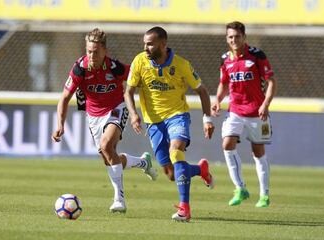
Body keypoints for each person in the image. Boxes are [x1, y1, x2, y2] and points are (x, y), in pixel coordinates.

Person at [51, 28, 158, 213]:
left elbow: (138, 80)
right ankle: (143, 162)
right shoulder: (79, 69)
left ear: (104, 51)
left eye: (95, 52)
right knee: (109, 157)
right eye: (88, 51)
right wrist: (60, 124)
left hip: (116, 108)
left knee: (107, 145)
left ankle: (119, 199)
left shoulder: (115, 67)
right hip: (93, 117)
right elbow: (64, 98)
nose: (91, 55)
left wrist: (139, 108)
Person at [124, 26, 215, 222]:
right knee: (172, 174)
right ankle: (200, 170)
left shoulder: (181, 64)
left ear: (163, 44)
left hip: (177, 115)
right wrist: (133, 115)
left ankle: (185, 209)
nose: (146, 48)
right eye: (144, 44)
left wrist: (207, 119)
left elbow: (202, 91)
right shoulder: (140, 61)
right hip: (153, 121)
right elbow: (128, 92)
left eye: (150, 44)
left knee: (176, 152)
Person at [211, 21, 277, 208]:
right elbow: (224, 83)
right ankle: (240, 188)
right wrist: (218, 100)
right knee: (227, 144)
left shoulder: (257, 56)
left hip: (257, 113)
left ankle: (264, 194)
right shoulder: (225, 58)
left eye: (237, 36)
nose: (234, 40)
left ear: (244, 37)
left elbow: (271, 82)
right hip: (235, 111)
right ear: (227, 38)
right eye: (230, 37)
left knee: (258, 153)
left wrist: (265, 104)